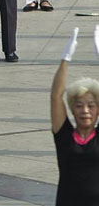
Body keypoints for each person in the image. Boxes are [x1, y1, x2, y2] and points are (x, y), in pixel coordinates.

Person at [51, 27, 99, 205]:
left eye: (91, 106)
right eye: (79, 106)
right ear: (72, 109)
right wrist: (65, 59)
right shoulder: (64, 136)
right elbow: (56, 97)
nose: (85, 110)